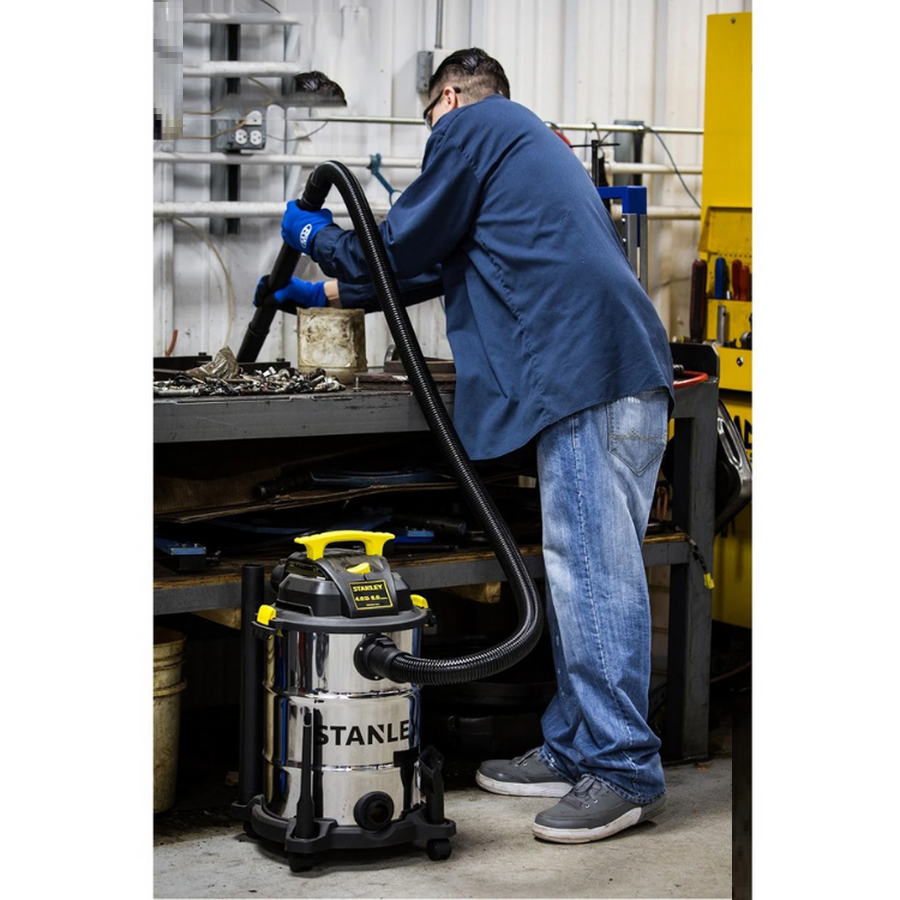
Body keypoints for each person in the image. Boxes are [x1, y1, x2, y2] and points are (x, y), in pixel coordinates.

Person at [255, 47, 674, 845]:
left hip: (589, 375)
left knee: (592, 575)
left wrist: (319, 233)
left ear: (447, 98)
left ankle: (623, 770)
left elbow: (399, 246)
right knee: (578, 572)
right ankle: (574, 748)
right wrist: (324, 289)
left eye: (429, 120)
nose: (433, 137)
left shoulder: (477, 126)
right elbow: (425, 269)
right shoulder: (524, 147)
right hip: (607, 372)